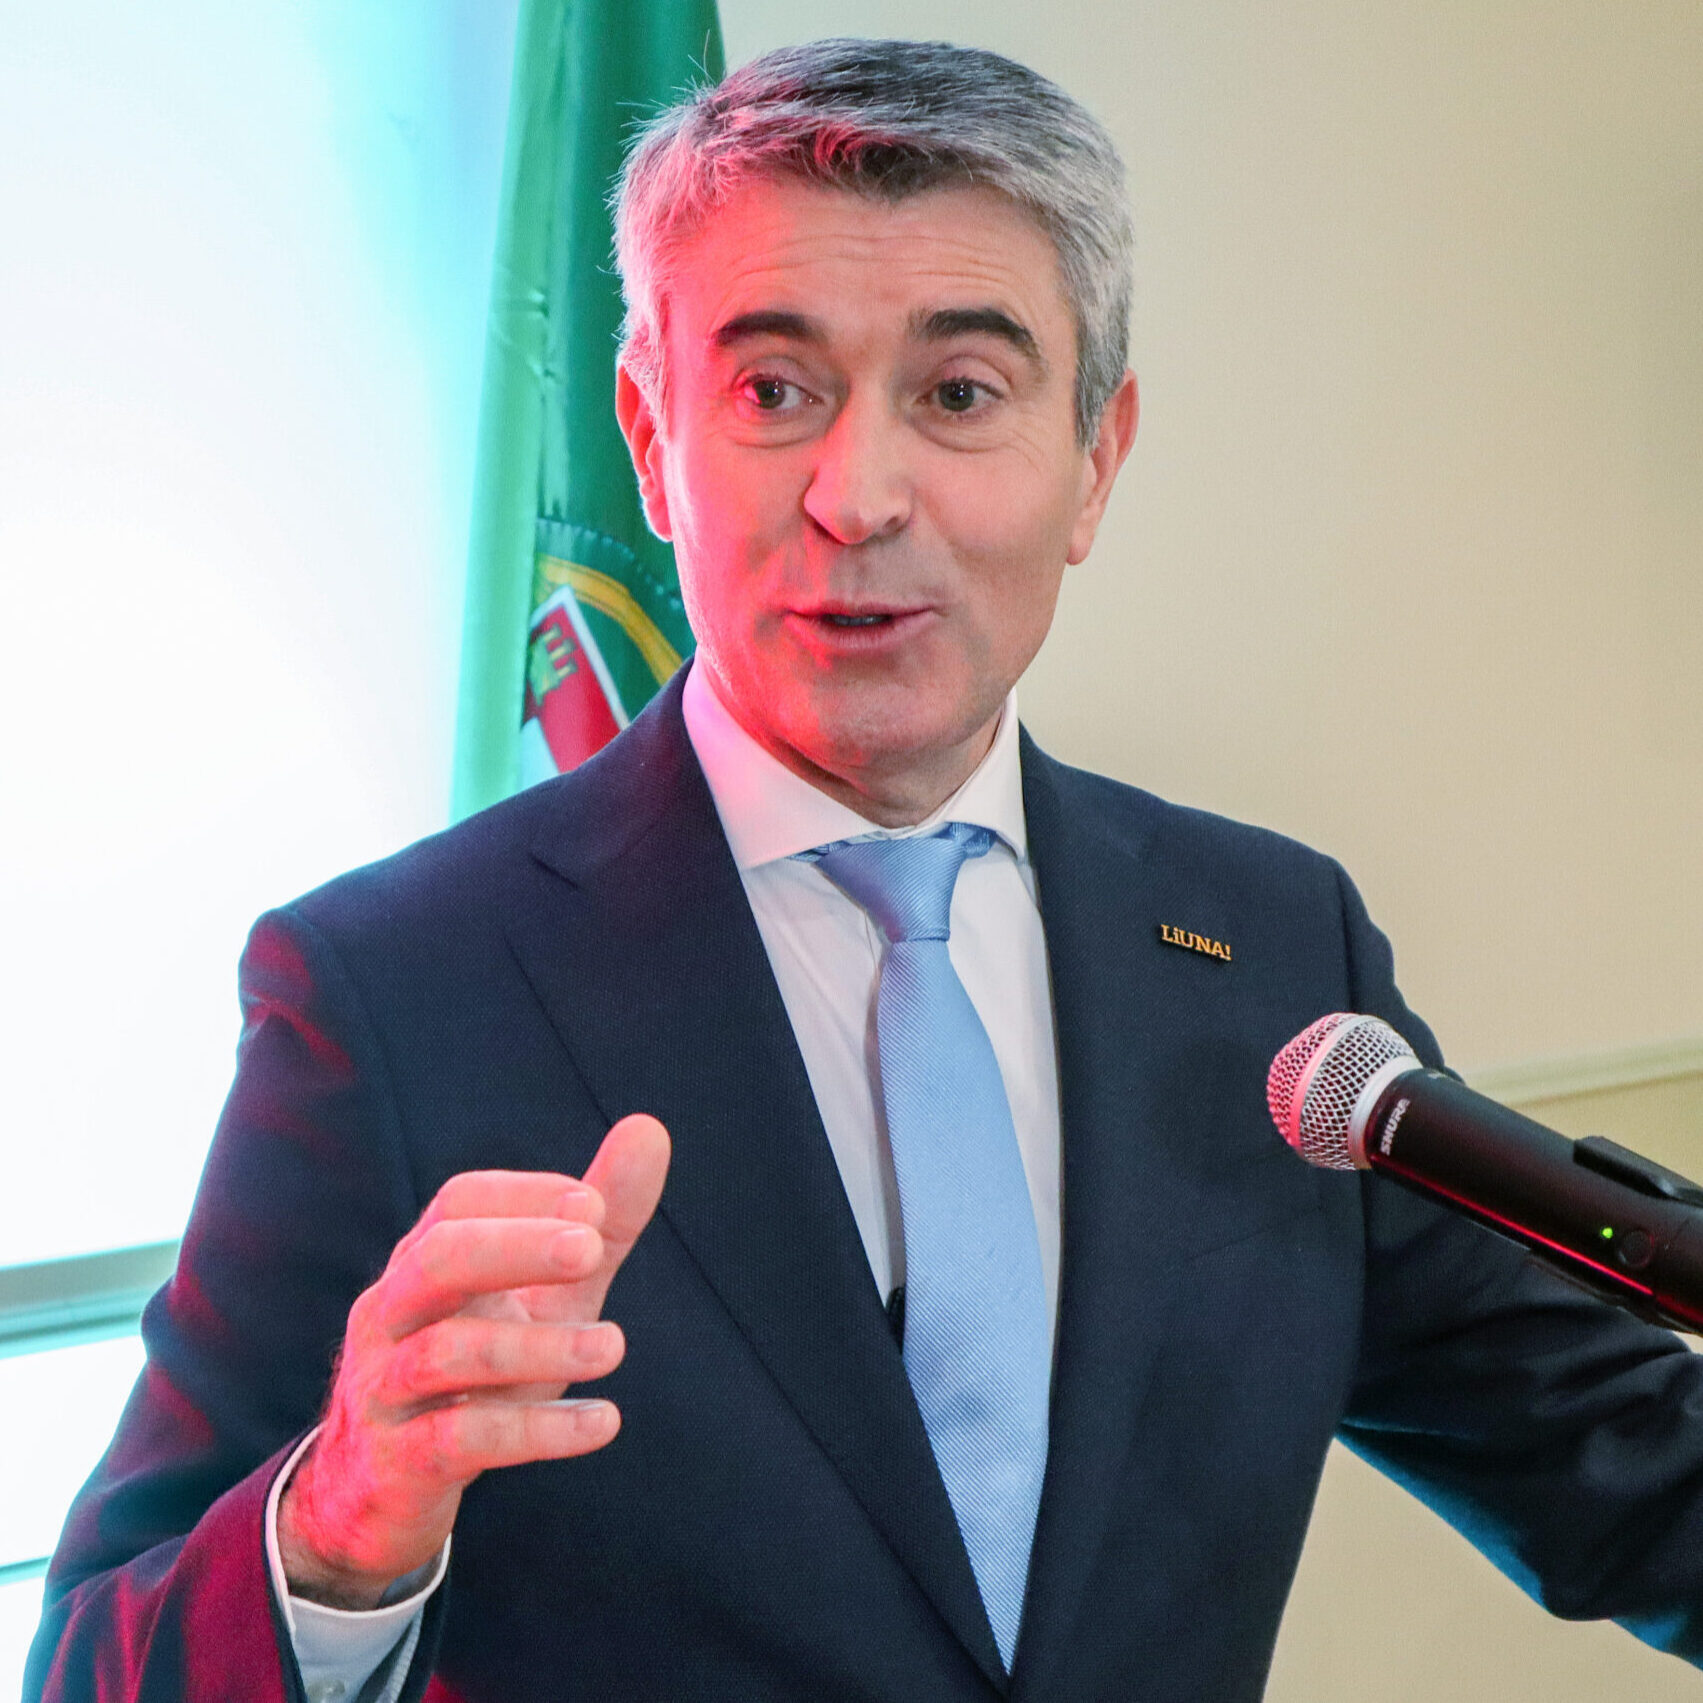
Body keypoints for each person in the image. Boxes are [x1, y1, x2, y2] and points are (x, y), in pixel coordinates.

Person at [25, 38, 1703, 1703]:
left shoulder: (1271, 952)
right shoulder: (393, 990)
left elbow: (1640, 1476)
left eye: (960, 394)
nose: (860, 496)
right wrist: (334, 1533)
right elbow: (96, 1661)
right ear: (650, 441)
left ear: (1096, 460)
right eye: (774, 392)